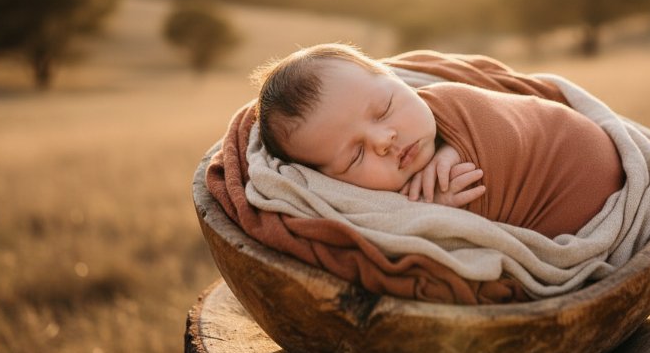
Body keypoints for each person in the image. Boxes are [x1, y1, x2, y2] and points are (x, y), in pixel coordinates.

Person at [254, 43, 625, 238]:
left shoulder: (451, 101)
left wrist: (456, 146)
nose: (385, 140)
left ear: (399, 81)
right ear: (329, 183)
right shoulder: (379, 209)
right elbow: (444, 240)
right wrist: (437, 211)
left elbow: (503, 120)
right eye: (355, 156)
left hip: (579, 160)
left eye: (384, 108)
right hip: (569, 221)